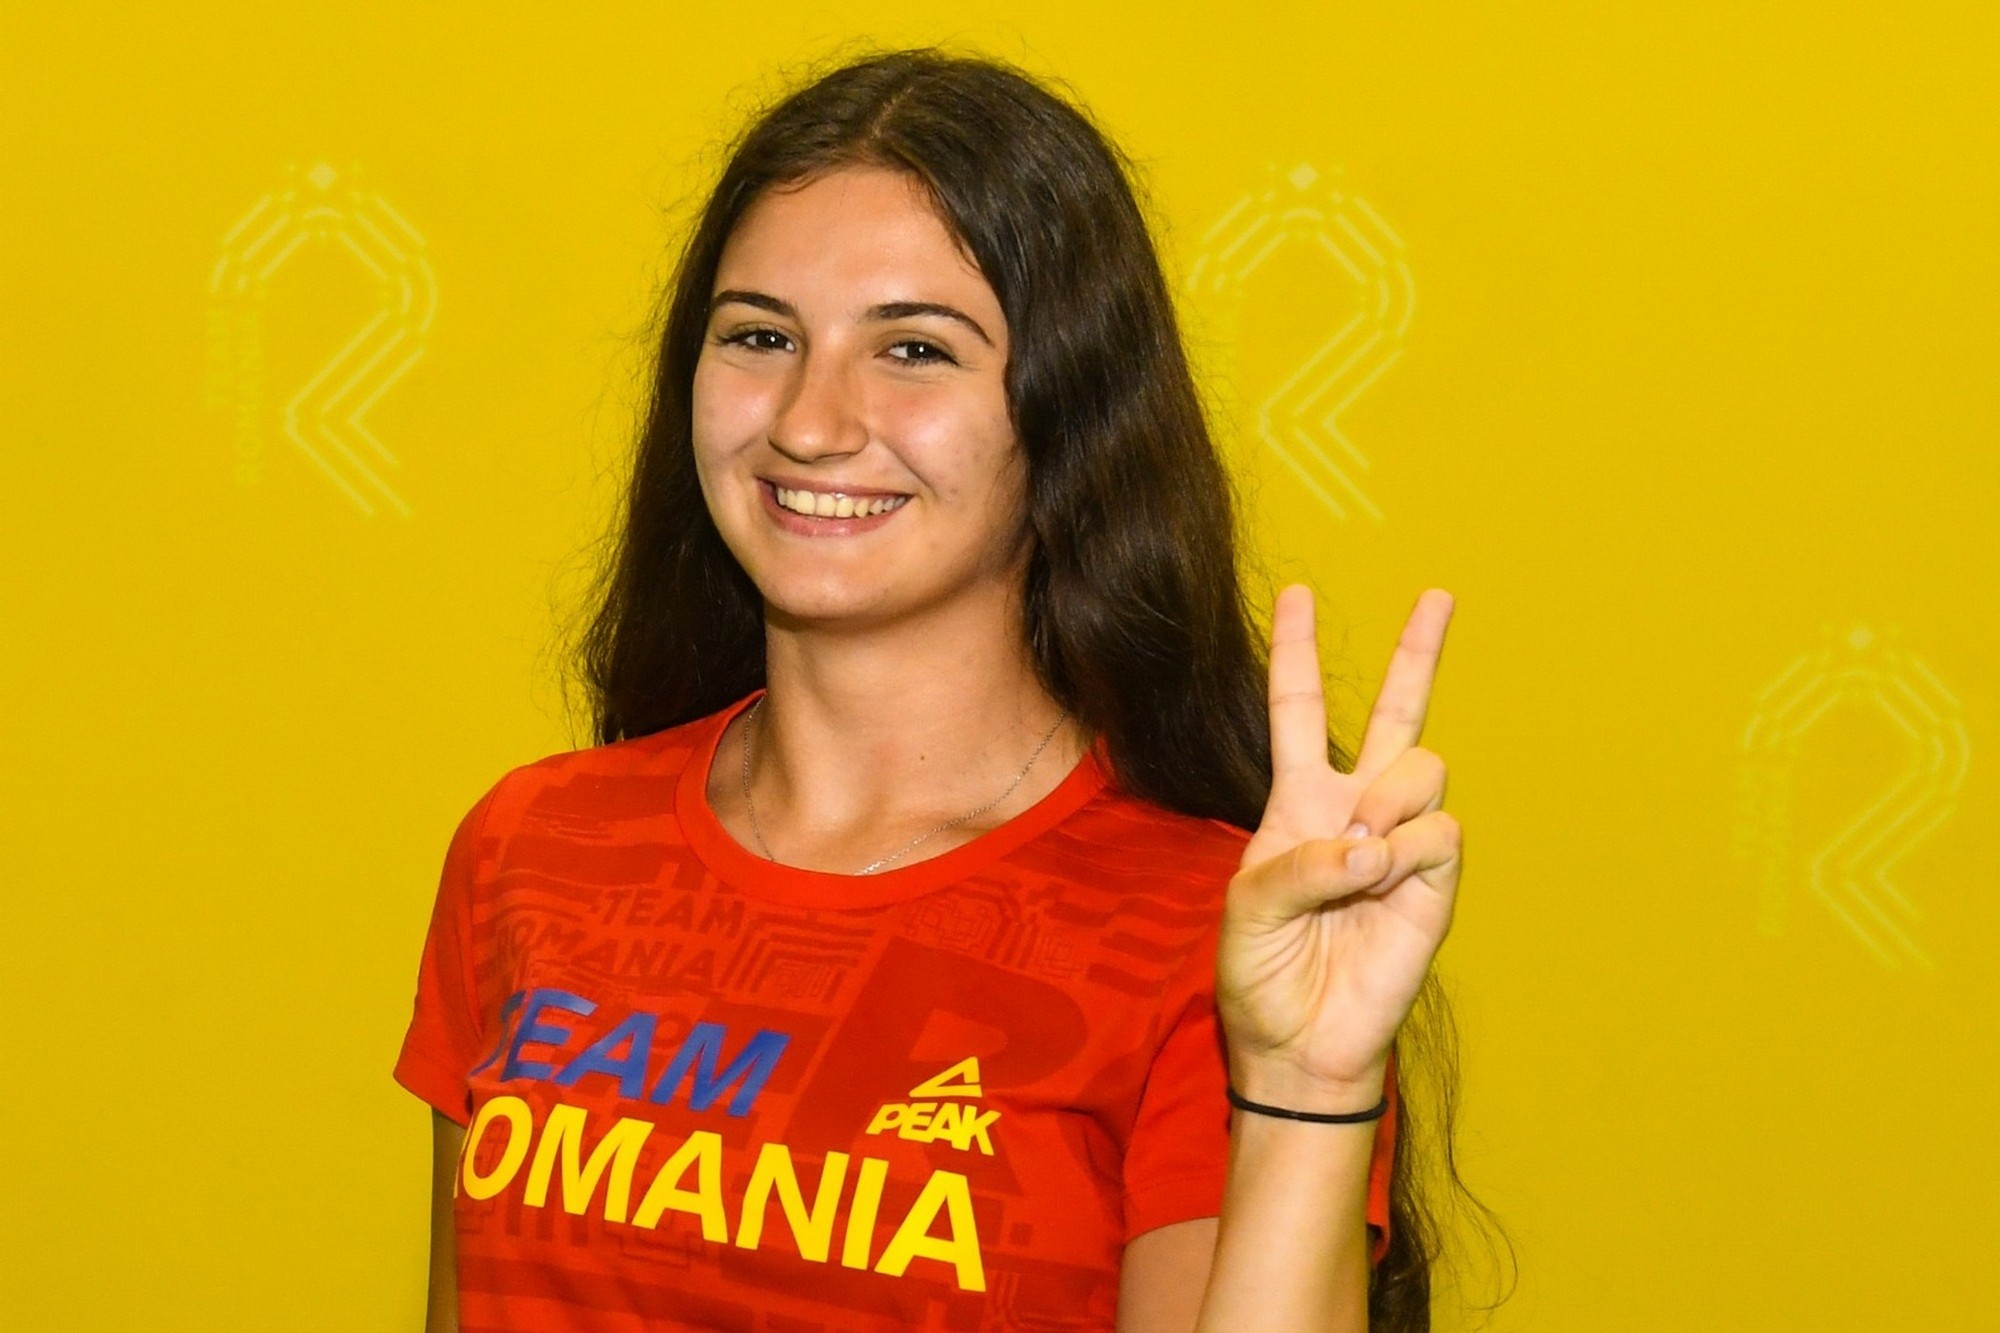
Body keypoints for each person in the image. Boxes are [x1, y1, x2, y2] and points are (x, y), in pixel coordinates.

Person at [396, 48, 1466, 1333]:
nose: (809, 421)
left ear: (1067, 410)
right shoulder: (533, 848)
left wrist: (1305, 1089)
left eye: (912, 348)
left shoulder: (1208, 933)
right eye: (759, 336)